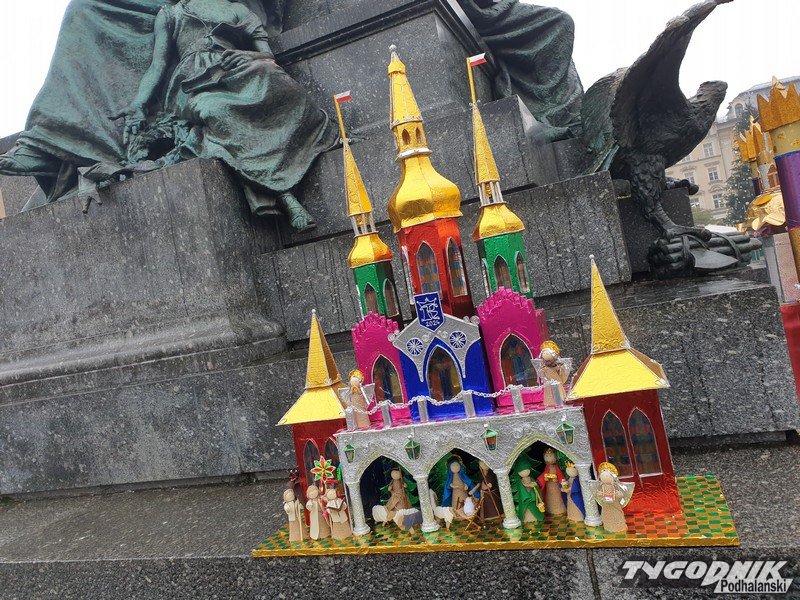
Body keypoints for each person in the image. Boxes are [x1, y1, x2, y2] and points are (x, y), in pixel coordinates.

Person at [114, 0, 336, 230]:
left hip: (239, 71)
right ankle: (285, 195)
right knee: (215, 111)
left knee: (287, 89)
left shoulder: (237, 9)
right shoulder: (171, 13)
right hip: (193, 84)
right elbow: (157, 64)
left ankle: (285, 175)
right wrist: (139, 103)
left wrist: (249, 56)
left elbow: (267, 54)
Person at [456, 0, 584, 140]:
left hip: (497, 6)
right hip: (480, 10)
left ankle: (560, 112)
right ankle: (546, 111)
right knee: (561, 21)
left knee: (563, 50)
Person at [593, 462, 634, 533]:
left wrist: (619, 495)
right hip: (606, 504)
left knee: (616, 513)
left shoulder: (615, 486)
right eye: (603, 473)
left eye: (607, 474)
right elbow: (598, 493)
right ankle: (608, 526)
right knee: (606, 514)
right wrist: (599, 494)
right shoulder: (601, 486)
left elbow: (620, 493)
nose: (605, 476)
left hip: (614, 503)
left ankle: (619, 527)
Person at [537, 447, 567, 516]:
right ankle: (550, 510)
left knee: (557, 498)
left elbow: (560, 475)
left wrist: (557, 480)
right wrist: (545, 479)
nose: (548, 458)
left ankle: (559, 510)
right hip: (549, 487)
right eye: (547, 456)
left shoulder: (556, 467)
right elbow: (544, 474)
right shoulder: (547, 467)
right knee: (549, 498)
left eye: (550, 456)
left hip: (556, 487)